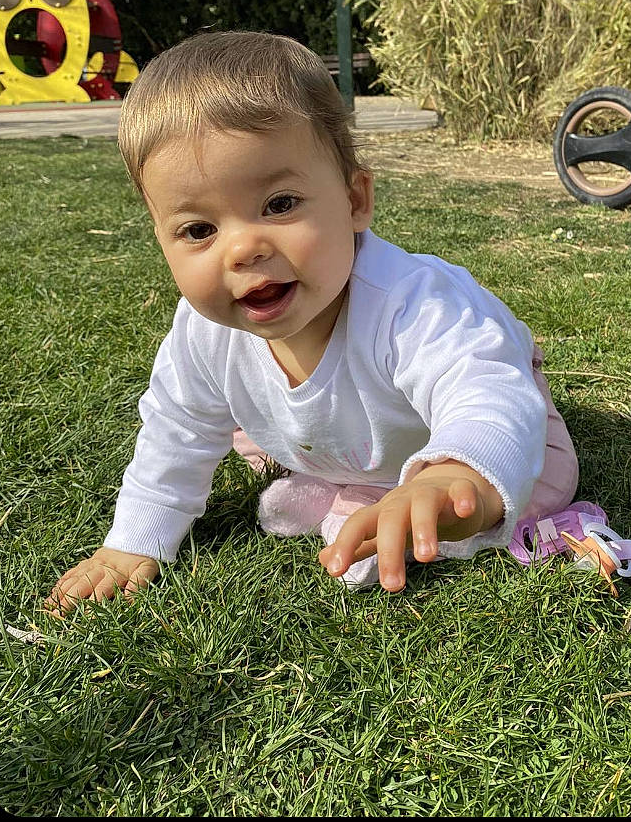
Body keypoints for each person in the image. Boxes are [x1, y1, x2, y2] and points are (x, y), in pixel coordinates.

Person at [46, 31, 588, 617]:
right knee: (239, 430)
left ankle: (417, 485)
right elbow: (177, 429)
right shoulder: (204, 334)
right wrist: (135, 539)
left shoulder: (414, 305)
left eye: (279, 205)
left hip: (473, 405)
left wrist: (453, 477)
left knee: (536, 478)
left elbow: (484, 394)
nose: (243, 249)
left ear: (355, 199)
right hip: (344, 433)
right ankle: (354, 482)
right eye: (199, 230)